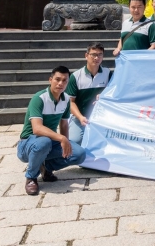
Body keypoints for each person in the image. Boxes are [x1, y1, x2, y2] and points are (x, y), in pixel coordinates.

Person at [17, 66, 86, 195]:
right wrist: (61, 138)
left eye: (64, 80)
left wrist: (66, 143)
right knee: (44, 142)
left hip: (48, 142)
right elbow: (37, 129)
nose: (60, 83)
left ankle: (45, 167)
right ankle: (31, 177)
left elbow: (64, 124)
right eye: (57, 79)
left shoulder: (66, 99)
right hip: (28, 143)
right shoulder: (39, 98)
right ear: (50, 80)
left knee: (79, 153)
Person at [66, 44, 112, 144]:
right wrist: (80, 117)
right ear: (86, 56)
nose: (97, 58)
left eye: (100, 55)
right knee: (74, 141)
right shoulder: (76, 76)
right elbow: (71, 102)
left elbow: (113, 93)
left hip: (101, 117)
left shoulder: (107, 73)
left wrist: (104, 96)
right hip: (80, 117)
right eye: (93, 54)